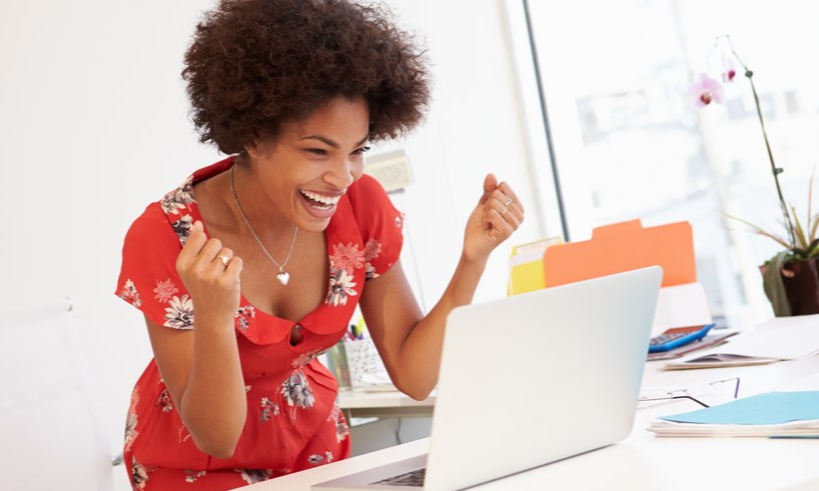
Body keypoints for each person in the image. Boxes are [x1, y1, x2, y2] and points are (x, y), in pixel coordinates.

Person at [114, 0, 524, 489]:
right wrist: (215, 316)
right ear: (252, 135)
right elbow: (216, 437)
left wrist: (471, 262)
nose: (342, 176)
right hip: (194, 464)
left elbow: (415, 378)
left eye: (357, 151)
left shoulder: (360, 205)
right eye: (316, 151)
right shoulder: (168, 237)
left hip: (314, 446)